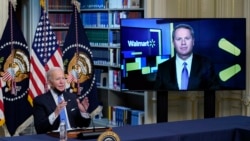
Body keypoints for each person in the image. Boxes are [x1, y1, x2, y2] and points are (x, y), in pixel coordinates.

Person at [154, 24, 220, 91]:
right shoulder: (163, 68)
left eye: (187, 38)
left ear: (193, 41)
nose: (183, 42)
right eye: (179, 39)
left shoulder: (206, 64)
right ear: (173, 43)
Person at [33, 67, 91, 134]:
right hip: (53, 138)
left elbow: (83, 125)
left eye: (63, 78)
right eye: (58, 79)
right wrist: (55, 113)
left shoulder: (72, 97)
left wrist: (83, 112)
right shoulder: (40, 101)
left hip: (72, 137)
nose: (62, 82)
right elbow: (39, 128)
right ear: (49, 82)